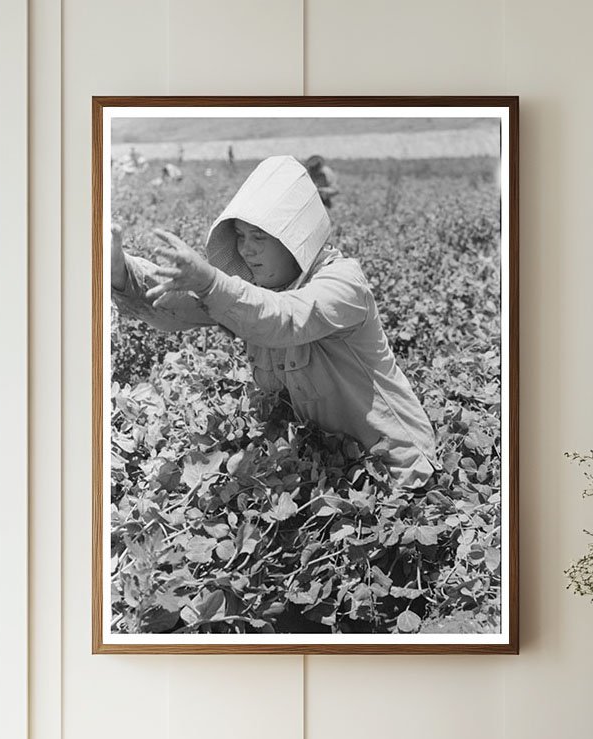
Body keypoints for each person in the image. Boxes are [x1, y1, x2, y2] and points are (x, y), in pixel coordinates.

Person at [110, 154, 438, 488]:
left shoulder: (344, 283)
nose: (246, 250)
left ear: (294, 237)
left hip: (399, 477)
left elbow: (285, 319)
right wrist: (121, 271)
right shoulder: (258, 290)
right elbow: (181, 306)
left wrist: (211, 282)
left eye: (259, 238)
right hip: (333, 476)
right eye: (240, 236)